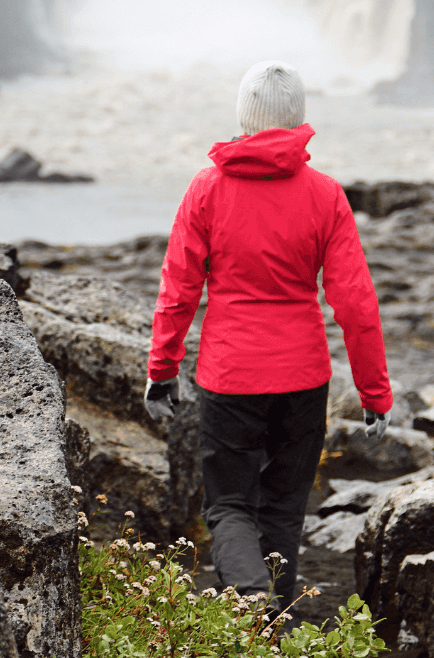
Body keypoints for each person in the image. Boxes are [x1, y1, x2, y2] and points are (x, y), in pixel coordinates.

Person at [145, 60, 393, 617]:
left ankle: (249, 599)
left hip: (230, 376)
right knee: (283, 510)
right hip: (303, 379)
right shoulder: (325, 195)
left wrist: (162, 369)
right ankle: (271, 627)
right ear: (298, 119)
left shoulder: (207, 189)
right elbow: (355, 305)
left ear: (243, 118)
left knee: (229, 506)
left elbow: (179, 287)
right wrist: (375, 394)